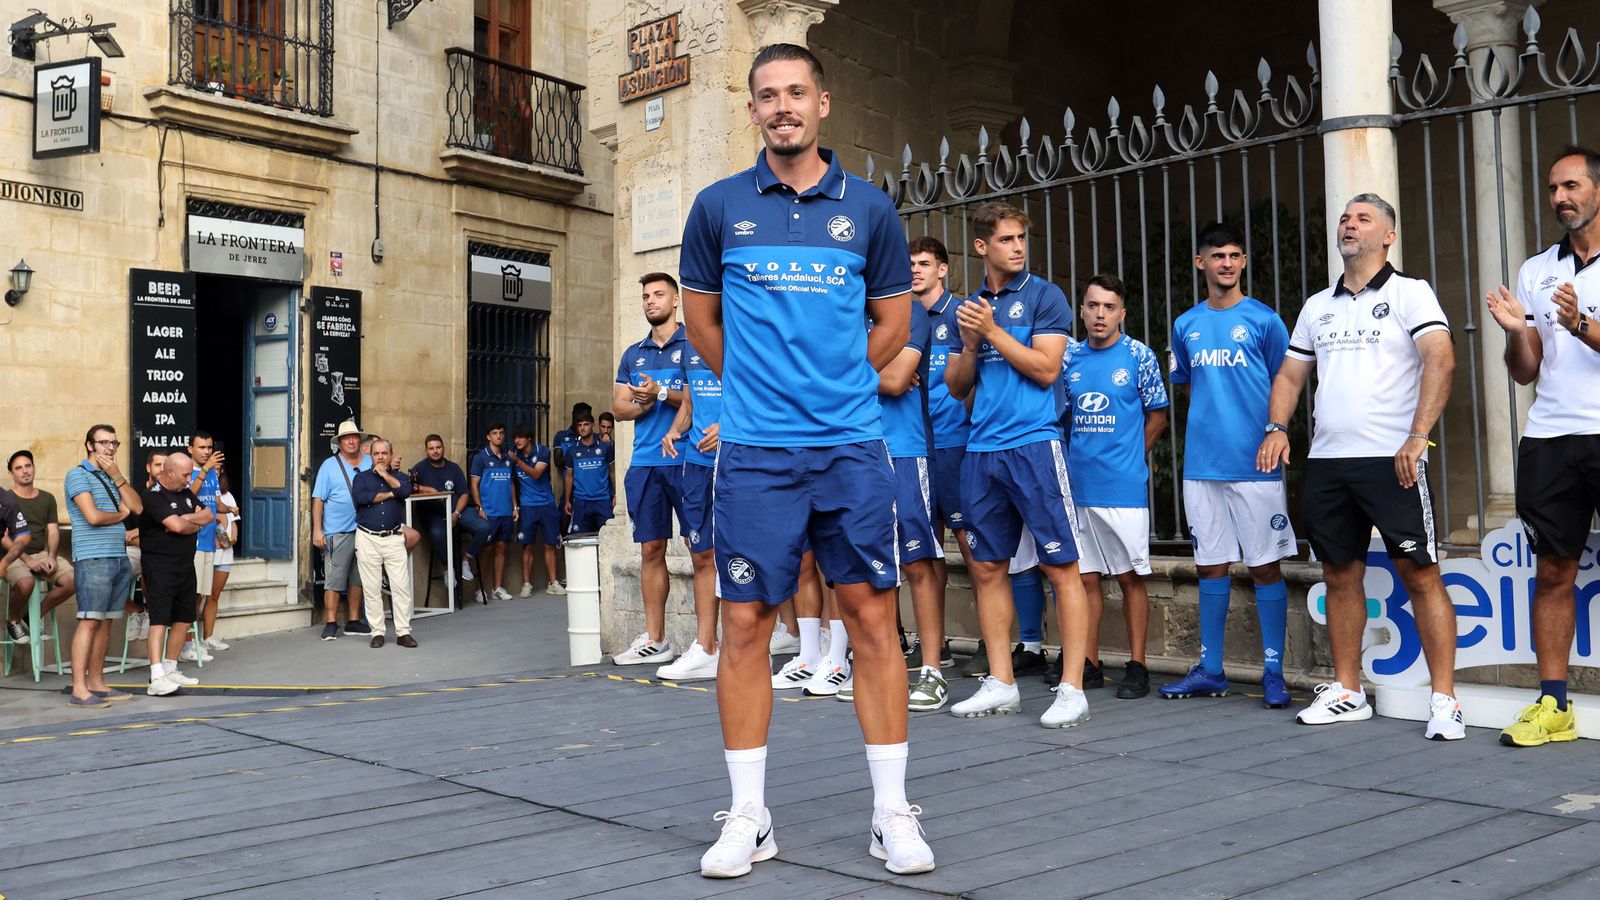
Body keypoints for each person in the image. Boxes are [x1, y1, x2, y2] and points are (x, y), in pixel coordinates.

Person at [681, 43, 933, 878]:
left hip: (852, 448)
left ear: (823, 103)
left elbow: (893, 327)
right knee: (746, 626)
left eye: (796, 92)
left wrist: (830, 385)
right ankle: (749, 817)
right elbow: (704, 326)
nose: (782, 106)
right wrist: (767, 390)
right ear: (751, 110)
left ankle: (891, 812)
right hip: (755, 454)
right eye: (766, 95)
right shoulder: (718, 208)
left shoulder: (870, 210)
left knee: (871, 622)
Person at [1261, 193, 1462, 740]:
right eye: (1345, 219)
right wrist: (1278, 427)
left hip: (1391, 458)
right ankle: (1349, 691)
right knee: (1338, 574)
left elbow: (1440, 359)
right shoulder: (1316, 306)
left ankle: (1444, 700)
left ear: (1388, 235)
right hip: (1328, 462)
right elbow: (1289, 377)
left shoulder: (1410, 293)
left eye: (1363, 218)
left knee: (1420, 574)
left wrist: (1418, 437)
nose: (1350, 225)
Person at [942, 200, 1092, 729]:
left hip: (1033, 444)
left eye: (1021, 239)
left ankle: (1072, 686)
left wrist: (994, 334)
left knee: (1060, 567)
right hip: (981, 451)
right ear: (982, 246)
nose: (1017, 247)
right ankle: (1001, 682)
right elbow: (958, 386)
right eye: (1006, 240)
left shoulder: (1045, 297)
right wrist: (966, 344)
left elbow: (1047, 369)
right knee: (985, 567)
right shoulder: (970, 306)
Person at [1485, 145, 1600, 747]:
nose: (1560, 197)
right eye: (1554, 188)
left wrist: (1581, 323)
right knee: (1554, 571)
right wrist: (1515, 334)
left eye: (1572, 186)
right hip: (1552, 438)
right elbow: (1527, 371)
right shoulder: (1537, 270)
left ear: (1598, 190)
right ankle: (1554, 705)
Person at [1162, 222, 1298, 708]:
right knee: (1210, 567)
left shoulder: (1264, 321)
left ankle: (1273, 672)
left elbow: (1288, 380)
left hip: (1255, 463)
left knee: (1264, 566)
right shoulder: (1185, 325)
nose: (1226, 263)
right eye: (1217, 255)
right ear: (1201, 263)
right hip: (1202, 466)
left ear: (1243, 262)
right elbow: (1188, 384)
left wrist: (1272, 433)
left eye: (1235, 255)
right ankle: (1212, 669)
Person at [1061, 274, 1168, 700]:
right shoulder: (1068, 358)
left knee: (1129, 578)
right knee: (1085, 579)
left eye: (1108, 307)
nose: (1100, 314)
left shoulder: (1139, 356)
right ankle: (1088, 664)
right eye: (1092, 306)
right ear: (1082, 310)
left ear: (1122, 313)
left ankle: (1138, 664)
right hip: (1078, 485)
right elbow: (1065, 417)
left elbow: (1157, 415)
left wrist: (1129, 457)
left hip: (1122, 489)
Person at [870, 270, 948, 709]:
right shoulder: (843, 313)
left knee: (917, 563)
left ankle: (933, 670)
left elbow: (899, 380)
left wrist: (832, 368)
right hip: (858, 448)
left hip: (904, 449)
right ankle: (885, 662)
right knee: (872, 566)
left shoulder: (911, 312)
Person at [610, 273, 692, 667]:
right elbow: (620, 409)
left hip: (687, 460)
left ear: (676, 301)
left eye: (658, 294)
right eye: (645, 296)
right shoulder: (633, 353)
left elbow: (702, 398)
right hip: (645, 463)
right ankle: (656, 640)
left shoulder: (694, 345)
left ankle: (707, 642)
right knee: (651, 550)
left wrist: (661, 394)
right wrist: (644, 403)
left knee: (702, 550)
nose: (650, 301)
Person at [908, 236, 966, 692]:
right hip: (916, 445)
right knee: (929, 549)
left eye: (925, 263)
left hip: (956, 445)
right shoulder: (899, 316)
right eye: (910, 264)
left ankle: (994, 644)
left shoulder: (961, 315)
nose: (915, 271)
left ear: (943, 269)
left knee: (972, 546)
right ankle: (937, 643)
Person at [659, 279, 724, 683]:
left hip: (737, 459)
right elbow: (690, 399)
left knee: (738, 554)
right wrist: (676, 429)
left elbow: (767, 390)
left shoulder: (743, 333)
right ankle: (706, 647)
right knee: (700, 554)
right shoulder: (689, 343)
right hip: (697, 462)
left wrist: (729, 422)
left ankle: (741, 643)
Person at [61, 425, 143, 706]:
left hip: (117, 556)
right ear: (89, 445)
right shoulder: (77, 475)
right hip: (93, 557)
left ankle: (97, 683)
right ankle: (79, 689)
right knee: (90, 620)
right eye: (103, 442)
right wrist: (120, 515)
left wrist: (117, 476)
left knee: (107, 622)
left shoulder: (111, 478)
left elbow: (137, 508)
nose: (110, 448)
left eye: (114, 443)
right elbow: (93, 517)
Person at [136, 451, 213, 695]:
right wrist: (189, 522)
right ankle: (156, 676)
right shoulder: (152, 496)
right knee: (159, 620)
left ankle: (171, 668)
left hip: (184, 564)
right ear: (169, 473)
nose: (190, 479)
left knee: (184, 617)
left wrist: (187, 518)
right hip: (160, 566)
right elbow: (176, 526)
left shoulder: (186, 494)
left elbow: (209, 514)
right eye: (185, 474)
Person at [352, 439, 419, 649]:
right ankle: (377, 632)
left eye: (384, 453)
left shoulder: (400, 477)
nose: (380, 457)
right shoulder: (360, 478)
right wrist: (392, 493)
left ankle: (403, 632)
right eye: (376, 453)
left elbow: (406, 491)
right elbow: (362, 498)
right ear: (370, 456)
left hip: (393, 537)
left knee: (401, 587)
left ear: (391, 455)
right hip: (367, 538)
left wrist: (384, 475)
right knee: (371, 588)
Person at [311, 420, 372, 639]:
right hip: (337, 532)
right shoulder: (329, 465)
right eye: (347, 438)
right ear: (340, 442)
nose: (352, 441)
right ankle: (330, 622)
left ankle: (354, 621)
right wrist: (317, 530)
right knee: (334, 580)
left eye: (355, 437)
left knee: (358, 579)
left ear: (360, 440)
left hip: (365, 530)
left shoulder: (370, 462)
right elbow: (318, 499)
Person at [7, 451, 77, 629]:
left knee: (73, 580)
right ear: (11, 474)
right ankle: (13, 621)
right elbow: (4, 537)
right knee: (26, 583)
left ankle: (30, 618)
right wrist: (28, 560)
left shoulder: (47, 498)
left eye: (28, 466)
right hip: (12, 556)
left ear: (34, 468)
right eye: (19, 468)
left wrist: (52, 556)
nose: (25, 471)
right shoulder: (5, 499)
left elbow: (53, 530)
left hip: (40, 553)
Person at [409, 434, 487, 588]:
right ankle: (448, 567)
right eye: (431, 448)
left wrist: (456, 513)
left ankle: (465, 560)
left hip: (457, 510)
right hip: (433, 514)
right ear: (427, 451)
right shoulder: (420, 468)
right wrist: (429, 490)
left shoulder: (453, 468)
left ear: (443, 448)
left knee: (484, 527)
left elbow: (464, 494)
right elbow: (411, 488)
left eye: (438, 447)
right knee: (438, 533)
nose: (435, 451)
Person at [180, 431, 222, 664]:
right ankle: (186, 644)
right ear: (190, 449)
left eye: (209, 447)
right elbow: (188, 497)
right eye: (201, 447)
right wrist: (204, 471)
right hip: (192, 543)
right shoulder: (189, 473)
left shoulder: (213, 473)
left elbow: (215, 504)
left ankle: (193, 642)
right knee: (190, 596)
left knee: (200, 596)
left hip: (209, 542)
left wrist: (229, 514)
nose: (206, 451)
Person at [468, 423, 518, 603]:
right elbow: (474, 484)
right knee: (486, 550)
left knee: (501, 548)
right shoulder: (480, 458)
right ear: (488, 436)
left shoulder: (508, 458)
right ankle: (480, 589)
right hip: (489, 512)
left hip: (505, 511)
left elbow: (511, 483)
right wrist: (479, 507)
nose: (498, 436)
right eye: (494, 433)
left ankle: (497, 587)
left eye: (501, 433)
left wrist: (514, 507)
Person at [511, 424, 562, 597]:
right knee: (527, 546)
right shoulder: (514, 456)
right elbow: (511, 483)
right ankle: (526, 584)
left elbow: (536, 474)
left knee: (550, 544)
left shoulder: (543, 452)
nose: (517, 441)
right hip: (527, 506)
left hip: (546, 504)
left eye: (521, 437)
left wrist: (517, 461)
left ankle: (553, 583)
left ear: (529, 438)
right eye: (515, 437)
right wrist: (515, 505)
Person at [201, 469, 238, 652]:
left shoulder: (228, 496)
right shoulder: (199, 492)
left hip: (224, 553)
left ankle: (208, 637)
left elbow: (233, 522)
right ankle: (190, 642)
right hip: (204, 551)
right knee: (197, 596)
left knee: (214, 595)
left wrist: (231, 540)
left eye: (218, 470)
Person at [564, 414, 615, 532]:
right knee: (581, 540)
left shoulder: (605, 447)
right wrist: (567, 500)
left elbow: (612, 472)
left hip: (603, 500)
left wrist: (616, 495)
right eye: (580, 425)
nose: (582, 428)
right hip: (581, 501)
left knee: (609, 539)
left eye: (586, 424)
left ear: (593, 425)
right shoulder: (572, 450)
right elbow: (569, 476)